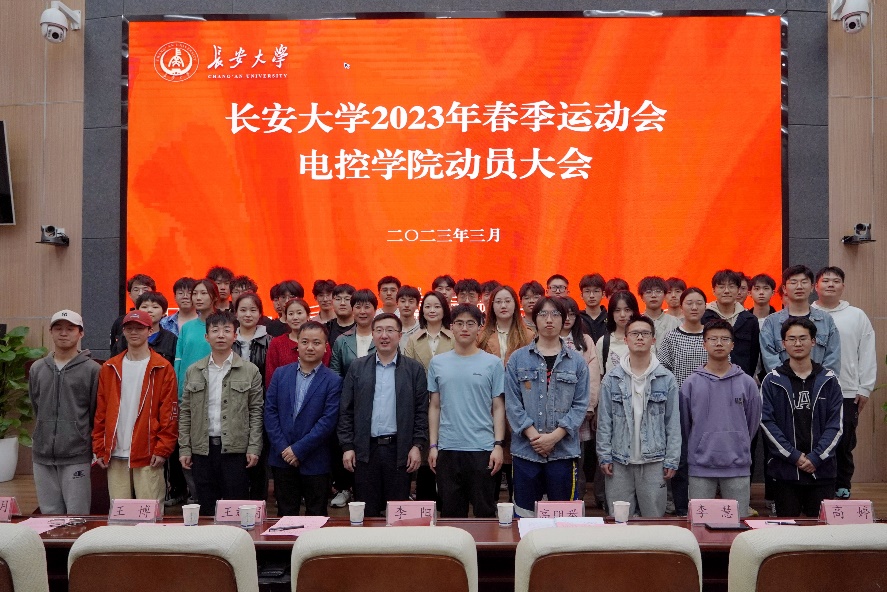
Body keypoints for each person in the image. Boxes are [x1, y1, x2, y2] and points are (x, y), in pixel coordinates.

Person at [337, 313, 429, 517]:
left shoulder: (414, 370)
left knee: (397, 514)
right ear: (372, 334)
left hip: (399, 451)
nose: (384, 335)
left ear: (400, 335)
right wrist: (347, 446)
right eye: (379, 330)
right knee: (367, 514)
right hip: (365, 450)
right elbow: (346, 410)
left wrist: (417, 446)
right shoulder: (358, 367)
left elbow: (421, 412)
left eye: (390, 330)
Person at [505, 297, 590, 517]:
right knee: (524, 517)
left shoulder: (577, 362)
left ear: (564, 320)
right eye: (543, 314)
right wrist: (535, 437)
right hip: (526, 452)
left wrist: (553, 438)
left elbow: (580, 405)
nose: (549, 319)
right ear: (534, 320)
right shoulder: (517, 359)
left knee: (563, 518)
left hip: (563, 453)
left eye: (555, 314)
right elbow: (512, 404)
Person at [179, 311, 264, 515]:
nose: (220, 335)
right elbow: (186, 412)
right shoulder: (193, 371)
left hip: (236, 450)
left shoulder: (250, 370)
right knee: (207, 509)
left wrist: (254, 447)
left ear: (235, 335)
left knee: (237, 509)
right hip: (202, 449)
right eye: (215, 330)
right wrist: (184, 448)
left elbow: (256, 412)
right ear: (206, 336)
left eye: (226, 330)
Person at [596, 315, 681, 518]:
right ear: (626, 339)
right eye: (635, 333)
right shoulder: (612, 378)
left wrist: (672, 459)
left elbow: (673, 423)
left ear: (653, 339)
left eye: (645, 333)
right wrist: (604, 455)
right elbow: (604, 422)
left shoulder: (666, 378)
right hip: (618, 461)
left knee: (654, 519)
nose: (640, 337)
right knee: (619, 520)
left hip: (654, 461)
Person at [428, 304, 506, 518]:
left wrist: (498, 445)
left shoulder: (493, 364)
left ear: (479, 328)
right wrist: (433, 445)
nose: (464, 328)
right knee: (451, 514)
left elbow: (498, 406)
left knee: (485, 512)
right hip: (448, 448)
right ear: (451, 327)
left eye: (471, 323)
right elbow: (434, 406)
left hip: (482, 448)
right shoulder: (437, 363)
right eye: (459, 323)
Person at [93, 310, 178, 506]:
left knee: (150, 511)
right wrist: (100, 447)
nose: (134, 332)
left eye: (139, 328)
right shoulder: (110, 367)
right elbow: (101, 412)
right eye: (129, 328)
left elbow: (169, 413)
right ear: (123, 331)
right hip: (115, 452)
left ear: (150, 331)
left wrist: (163, 449)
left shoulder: (163, 367)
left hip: (148, 452)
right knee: (119, 512)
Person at [761, 317, 843, 517]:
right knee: (787, 530)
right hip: (785, 472)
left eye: (803, 338)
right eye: (792, 339)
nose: (797, 343)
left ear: (813, 341)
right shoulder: (772, 381)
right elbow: (766, 423)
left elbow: (836, 426)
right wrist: (794, 456)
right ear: (783, 344)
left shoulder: (829, 380)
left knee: (821, 531)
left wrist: (816, 457)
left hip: (822, 471)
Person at [680, 319, 761, 518]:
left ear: (732, 345)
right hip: (700, 466)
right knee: (699, 522)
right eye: (713, 339)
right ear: (704, 344)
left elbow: (752, 423)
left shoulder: (747, 383)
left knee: (738, 522)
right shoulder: (691, 383)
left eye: (725, 339)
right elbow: (684, 425)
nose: (719, 343)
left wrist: (739, 441)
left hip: (737, 465)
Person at [265, 321, 342, 516]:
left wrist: (298, 450)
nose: (310, 347)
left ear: (325, 347)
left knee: (316, 515)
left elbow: (327, 421)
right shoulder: (280, 374)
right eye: (305, 342)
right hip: (282, 458)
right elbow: (270, 412)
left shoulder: (333, 380)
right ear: (297, 344)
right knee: (285, 515)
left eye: (316, 343)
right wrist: (284, 448)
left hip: (316, 459)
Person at [812, 266, 876, 500]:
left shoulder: (857, 315)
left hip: (847, 389)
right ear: (816, 286)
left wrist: (865, 387)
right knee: (814, 439)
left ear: (843, 287)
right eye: (825, 280)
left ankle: (842, 486)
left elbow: (867, 352)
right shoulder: (806, 314)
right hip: (812, 389)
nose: (830, 284)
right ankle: (816, 488)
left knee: (844, 440)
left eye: (836, 281)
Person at [29, 310, 100, 515]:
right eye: (58, 328)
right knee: (49, 514)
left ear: (81, 333)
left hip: (76, 454)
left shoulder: (93, 369)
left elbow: (95, 411)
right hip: (42, 455)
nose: (63, 333)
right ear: (50, 332)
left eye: (70, 329)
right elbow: (36, 405)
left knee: (77, 515)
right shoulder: (37, 368)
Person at [477, 285, 535, 500]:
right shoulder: (482, 336)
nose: (503, 305)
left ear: (515, 305)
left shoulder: (528, 335)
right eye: (498, 301)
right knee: (490, 457)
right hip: (488, 404)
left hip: (520, 403)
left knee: (517, 460)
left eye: (507, 301)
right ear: (491, 306)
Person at [403, 290, 454, 502]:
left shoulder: (454, 337)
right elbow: (408, 374)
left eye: (437, 306)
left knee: (448, 454)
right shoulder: (413, 340)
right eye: (428, 307)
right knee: (425, 456)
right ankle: (426, 502)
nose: (432, 310)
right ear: (422, 311)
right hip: (422, 402)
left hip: (451, 402)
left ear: (445, 310)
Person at [559, 296, 602, 504]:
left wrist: (590, 406)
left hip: (579, 410)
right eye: (563, 314)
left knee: (579, 458)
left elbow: (593, 376)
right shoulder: (545, 339)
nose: (568, 318)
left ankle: (578, 500)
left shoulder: (585, 341)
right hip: (552, 412)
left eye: (572, 314)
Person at [760, 265, 841, 374]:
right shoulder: (771, 322)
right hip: (783, 383)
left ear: (812, 287)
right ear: (784, 288)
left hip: (820, 383)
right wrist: (789, 381)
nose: (799, 286)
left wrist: (819, 381)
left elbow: (833, 358)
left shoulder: (826, 320)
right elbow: (770, 360)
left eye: (804, 282)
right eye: (793, 282)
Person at [231, 291, 272, 502]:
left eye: (253, 310)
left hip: (260, 406)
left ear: (260, 314)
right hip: (232, 407)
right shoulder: (228, 341)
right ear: (235, 313)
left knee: (259, 459)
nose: (248, 314)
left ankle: (258, 504)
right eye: (243, 310)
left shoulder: (270, 342)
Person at [700, 269, 760, 378]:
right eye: (721, 287)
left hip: (740, 378)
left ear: (738, 290)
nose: (726, 291)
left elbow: (753, 356)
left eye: (731, 286)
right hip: (710, 378)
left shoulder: (750, 320)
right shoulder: (704, 318)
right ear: (713, 291)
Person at [656, 288, 709, 387]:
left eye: (699, 303)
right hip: (679, 393)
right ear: (681, 307)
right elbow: (662, 369)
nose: (694, 308)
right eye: (689, 303)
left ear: (705, 307)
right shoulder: (671, 337)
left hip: (709, 392)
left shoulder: (713, 336)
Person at [174, 279, 218, 399]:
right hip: (188, 392)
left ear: (214, 297)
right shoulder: (187, 327)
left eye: (203, 293)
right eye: (194, 293)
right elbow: (179, 360)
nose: (198, 298)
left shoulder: (224, 326)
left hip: (215, 390)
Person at [111, 292, 177, 364]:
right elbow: (114, 363)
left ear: (164, 312)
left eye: (155, 307)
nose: (149, 310)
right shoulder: (126, 337)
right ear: (137, 310)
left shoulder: (171, 339)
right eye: (144, 307)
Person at [596, 291, 641, 375]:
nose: (622, 315)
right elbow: (599, 376)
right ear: (611, 313)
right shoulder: (603, 342)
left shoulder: (643, 339)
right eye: (617, 310)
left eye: (627, 310)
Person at [109, 273, 155, 352]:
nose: (140, 293)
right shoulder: (120, 321)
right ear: (130, 294)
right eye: (136, 290)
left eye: (145, 290)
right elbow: (113, 349)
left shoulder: (161, 321)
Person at [578, 273, 607, 343]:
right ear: (581, 295)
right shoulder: (577, 319)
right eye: (587, 291)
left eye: (596, 291)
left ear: (603, 294)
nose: (591, 296)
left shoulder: (612, 318)